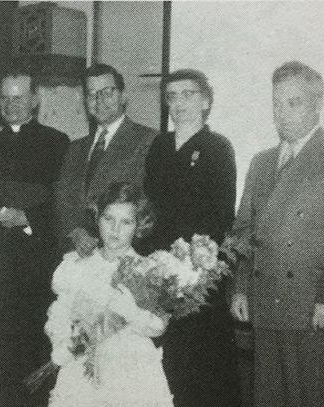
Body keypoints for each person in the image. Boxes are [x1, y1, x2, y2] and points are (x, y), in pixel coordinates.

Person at [230, 61, 324, 407]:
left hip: (313, 308)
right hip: (266, 305)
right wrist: (240, 287)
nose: (282, 113)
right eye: (277, 104)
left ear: (317, 104)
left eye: (293, 103)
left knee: (311, 398)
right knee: (268, 398)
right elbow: (244, 231)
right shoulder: (262, 161)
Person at [0, 70, 69, 407]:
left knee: (33, 347)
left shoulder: (58, 142)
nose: (11, 105)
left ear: (35, 100)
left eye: (18, 97)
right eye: (4, 98)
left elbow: (65, 204)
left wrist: (29, 218)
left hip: (37, 265)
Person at [143, 69, 238, 407]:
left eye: (188, 94)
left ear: (206, 101)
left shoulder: (217, 147)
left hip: (198, 279)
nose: (179, 103)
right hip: (158, 277)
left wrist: (190, 268)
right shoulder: (159, 145)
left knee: (200, 373)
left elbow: (219, 216)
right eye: (172, 96)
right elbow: (149, 208)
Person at [46, 182, 173, 407]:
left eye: (126, 222)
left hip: (130, 368)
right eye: (108, 219)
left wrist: (130, 311)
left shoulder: (146, 270)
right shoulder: (76, 265)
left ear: (138, 226)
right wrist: (63, 343)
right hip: (83, 364)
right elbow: (60, 311)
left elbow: (157, 326)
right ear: (97, 219)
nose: (115, 229)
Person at [55, 63, 157, 257]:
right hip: (74, 255)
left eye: (107, 92)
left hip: (122, 257)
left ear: (123, 96)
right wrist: (75, 232)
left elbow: (147, 204)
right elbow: (62, 199)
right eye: (92, 94)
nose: (99, 100)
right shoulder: (74, 148)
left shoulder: (148, 140)